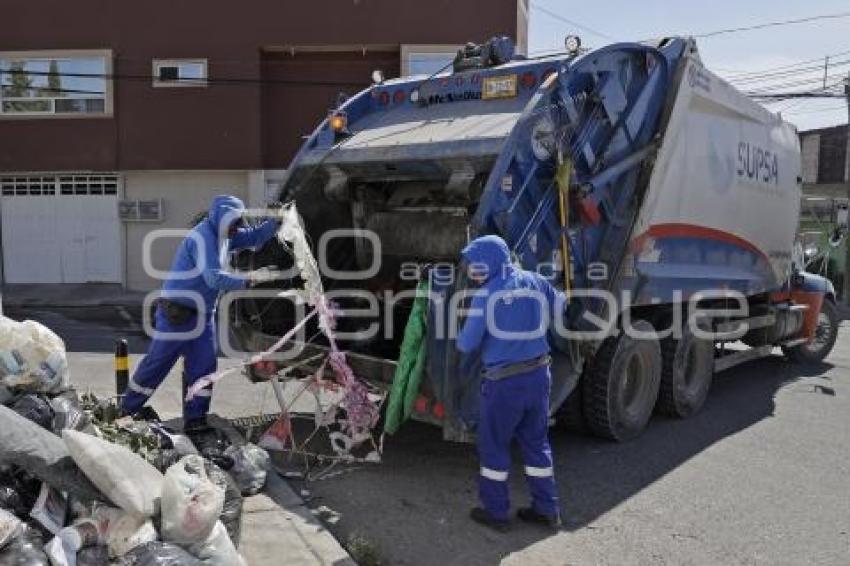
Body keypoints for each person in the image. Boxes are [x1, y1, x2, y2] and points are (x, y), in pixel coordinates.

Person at [121, 195, 280, 437]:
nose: (237, 228)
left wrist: (277, 220)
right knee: (157, 364)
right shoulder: (203, 237)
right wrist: (252, 278)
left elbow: (254, 237)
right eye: (233, 223)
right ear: (219, 218)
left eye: (238, 223)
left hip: (203, 315)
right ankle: (127, 410)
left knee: (204, 368)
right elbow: (214, 278)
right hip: (177, 313)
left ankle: (196, 420)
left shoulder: (227, 235)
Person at [457, 234, 563, 532]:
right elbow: (559, 307)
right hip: (539, 376)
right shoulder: (535, 281)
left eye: (475, 264)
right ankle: (547, 509)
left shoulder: (486, 295)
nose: (471, 270)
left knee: (494, 446)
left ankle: (497, 513)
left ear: (489, 261)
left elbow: (467, 345)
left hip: (505, 384)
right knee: (536, 444)